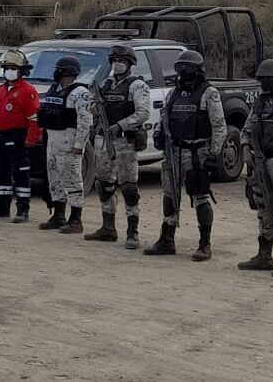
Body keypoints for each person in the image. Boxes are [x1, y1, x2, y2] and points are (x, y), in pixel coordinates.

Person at [145, 50, 225, 261]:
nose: (182, 71)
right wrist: (159, 135)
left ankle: (204, 244)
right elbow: (164, 118)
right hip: (174, 151)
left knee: (200, 197)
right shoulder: (174, 93)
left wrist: (214, 153)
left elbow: (219, 126)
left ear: (198, 70)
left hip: (197, 152)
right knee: (169, 195)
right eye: (179, 67)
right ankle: (167, 239)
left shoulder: (209, 93)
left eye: (187, 67)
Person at [84, 46, 151, 247]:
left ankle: (133, 233)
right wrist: (95, 106)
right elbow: (90, 106)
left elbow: (143, 113)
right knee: (103, 184)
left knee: (129, 187)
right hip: (104, 140)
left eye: (121, 61)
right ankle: (108, 228)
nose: (117, 64)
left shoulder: (137, 85)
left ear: (130, 63)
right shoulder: (105, 83)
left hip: (124, 141)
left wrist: (120, 125)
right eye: (114, 60)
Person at [239, 58, 273, 277]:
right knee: (263, 207)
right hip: (260, 161)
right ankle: (264, 254)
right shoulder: (260, 101)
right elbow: (248, 127)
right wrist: (245, 147)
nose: (262, 83)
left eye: (266, 79)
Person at [0, 49, 41, 223]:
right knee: (1, 173)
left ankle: (23, 209)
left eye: (13, 68)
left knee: (20, 174)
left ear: (21, 71)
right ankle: (2, 207)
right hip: (0, 136)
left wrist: (32, 138)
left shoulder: (27, 90)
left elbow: (34, 118)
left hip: (17, 137)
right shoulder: (1, 89)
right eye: (7, 68)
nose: (9, 71)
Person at [36, 55, 91, 232]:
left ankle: (76, 219)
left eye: (59, 70)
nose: (56, 73)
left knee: (72, 180)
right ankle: (58, 215)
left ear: (68, 72)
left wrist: (79, 145)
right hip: (52, 139)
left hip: (69, 141)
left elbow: (85, 121)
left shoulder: (80, 93)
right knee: (54, 179)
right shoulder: (54, 89)